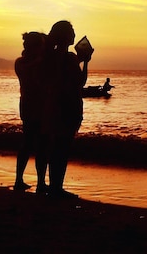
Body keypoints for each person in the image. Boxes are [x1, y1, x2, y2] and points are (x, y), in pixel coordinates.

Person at [44, 20, 92, 198]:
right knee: (62, 148)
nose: (74, 34)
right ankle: (57, 188)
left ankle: (53, 185)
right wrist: (86, 62)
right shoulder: (69, 58)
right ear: (65, 36)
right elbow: (80, 82)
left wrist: (78, 60)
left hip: (54, 105)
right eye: (71, 32)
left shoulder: (51, 57)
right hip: (69, 106)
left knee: (55, 147)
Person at [13, 31, 48, 192]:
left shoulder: (22, 62)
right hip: (32, 105)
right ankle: (29, 181)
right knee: (35, 143)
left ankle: (30, 180)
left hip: (30, 104)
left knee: (32, 143)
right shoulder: (23, 63)